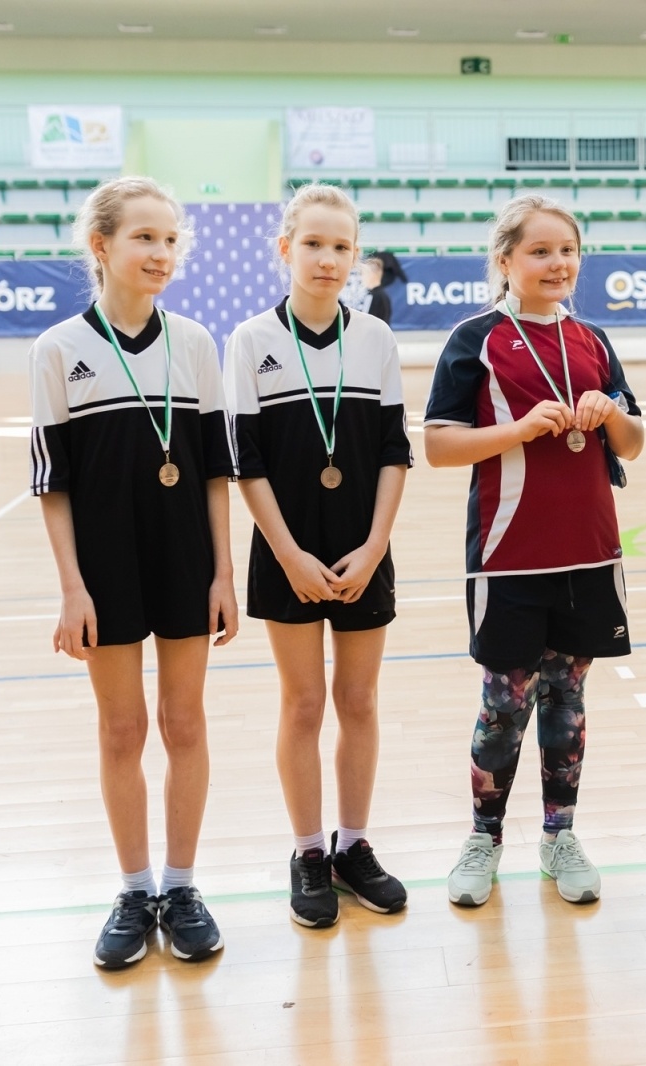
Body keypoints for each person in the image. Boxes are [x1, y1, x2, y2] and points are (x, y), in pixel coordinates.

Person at [30, 176, 239, 967]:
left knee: (183, 723)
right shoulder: (57, 349)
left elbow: (217, 473)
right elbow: (52, 487)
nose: (159, 253)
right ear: (102, 246)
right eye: (143, 237)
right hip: (105, 569)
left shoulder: (195, 344)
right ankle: (132, 888)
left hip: (185, 558)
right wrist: (73, 587)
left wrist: (223, 574)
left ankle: (181, 887)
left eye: (169, 240)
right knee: (122, 729)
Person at [424, 194, 644, 907]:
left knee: (568, 700)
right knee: (503, 705)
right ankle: (485, 837)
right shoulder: (476, 338)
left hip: (588, 553)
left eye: (568, 250)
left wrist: (611, 414)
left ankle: (560, 835)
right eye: (541, 251)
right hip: (509, 554)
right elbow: (438, 445)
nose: (558, 264)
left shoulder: (596, 340)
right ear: (505, 261)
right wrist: (516, 430)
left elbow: (634, 443)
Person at [226, 183, 412, 924]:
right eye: (314, 243)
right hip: (287, 552)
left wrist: (373, 547)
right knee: (303, 703)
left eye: (342, 246)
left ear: (356, 256)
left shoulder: (377, 340)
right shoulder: (250, 341)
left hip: (364, 549)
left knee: (359, 701)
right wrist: (291, 555)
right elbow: (247, 463)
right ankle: (308, 850)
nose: (329, 258)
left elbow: (396, 454)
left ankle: (354, 845)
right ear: (285, 249)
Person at [359, 250, 406, 325]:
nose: (361, 277)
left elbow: (380, 324)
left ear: (371, 274)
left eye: (363, 274)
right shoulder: (374, 294)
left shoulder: (379, 296)